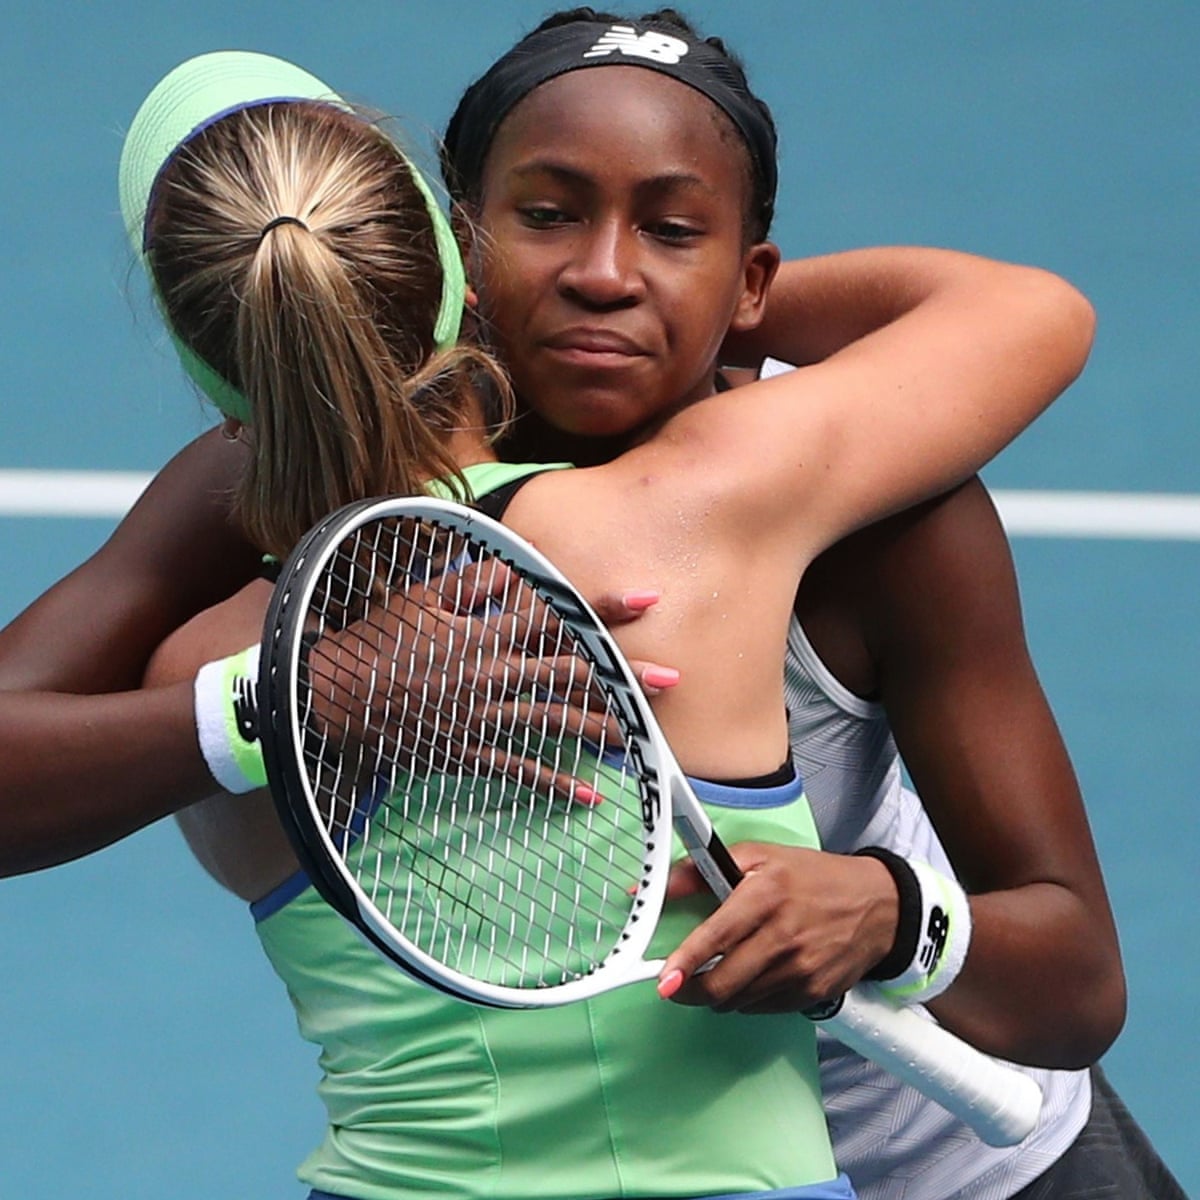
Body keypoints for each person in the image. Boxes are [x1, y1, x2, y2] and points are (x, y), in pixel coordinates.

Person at [126, 42, 1085, 1200]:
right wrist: (713, 292)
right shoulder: (711, 504)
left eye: (673, 233)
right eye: (547, 218)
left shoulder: (189, 665)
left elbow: (1069, 976)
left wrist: (260, 709)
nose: (606, 276)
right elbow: (1032, 313)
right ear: (456, 257)